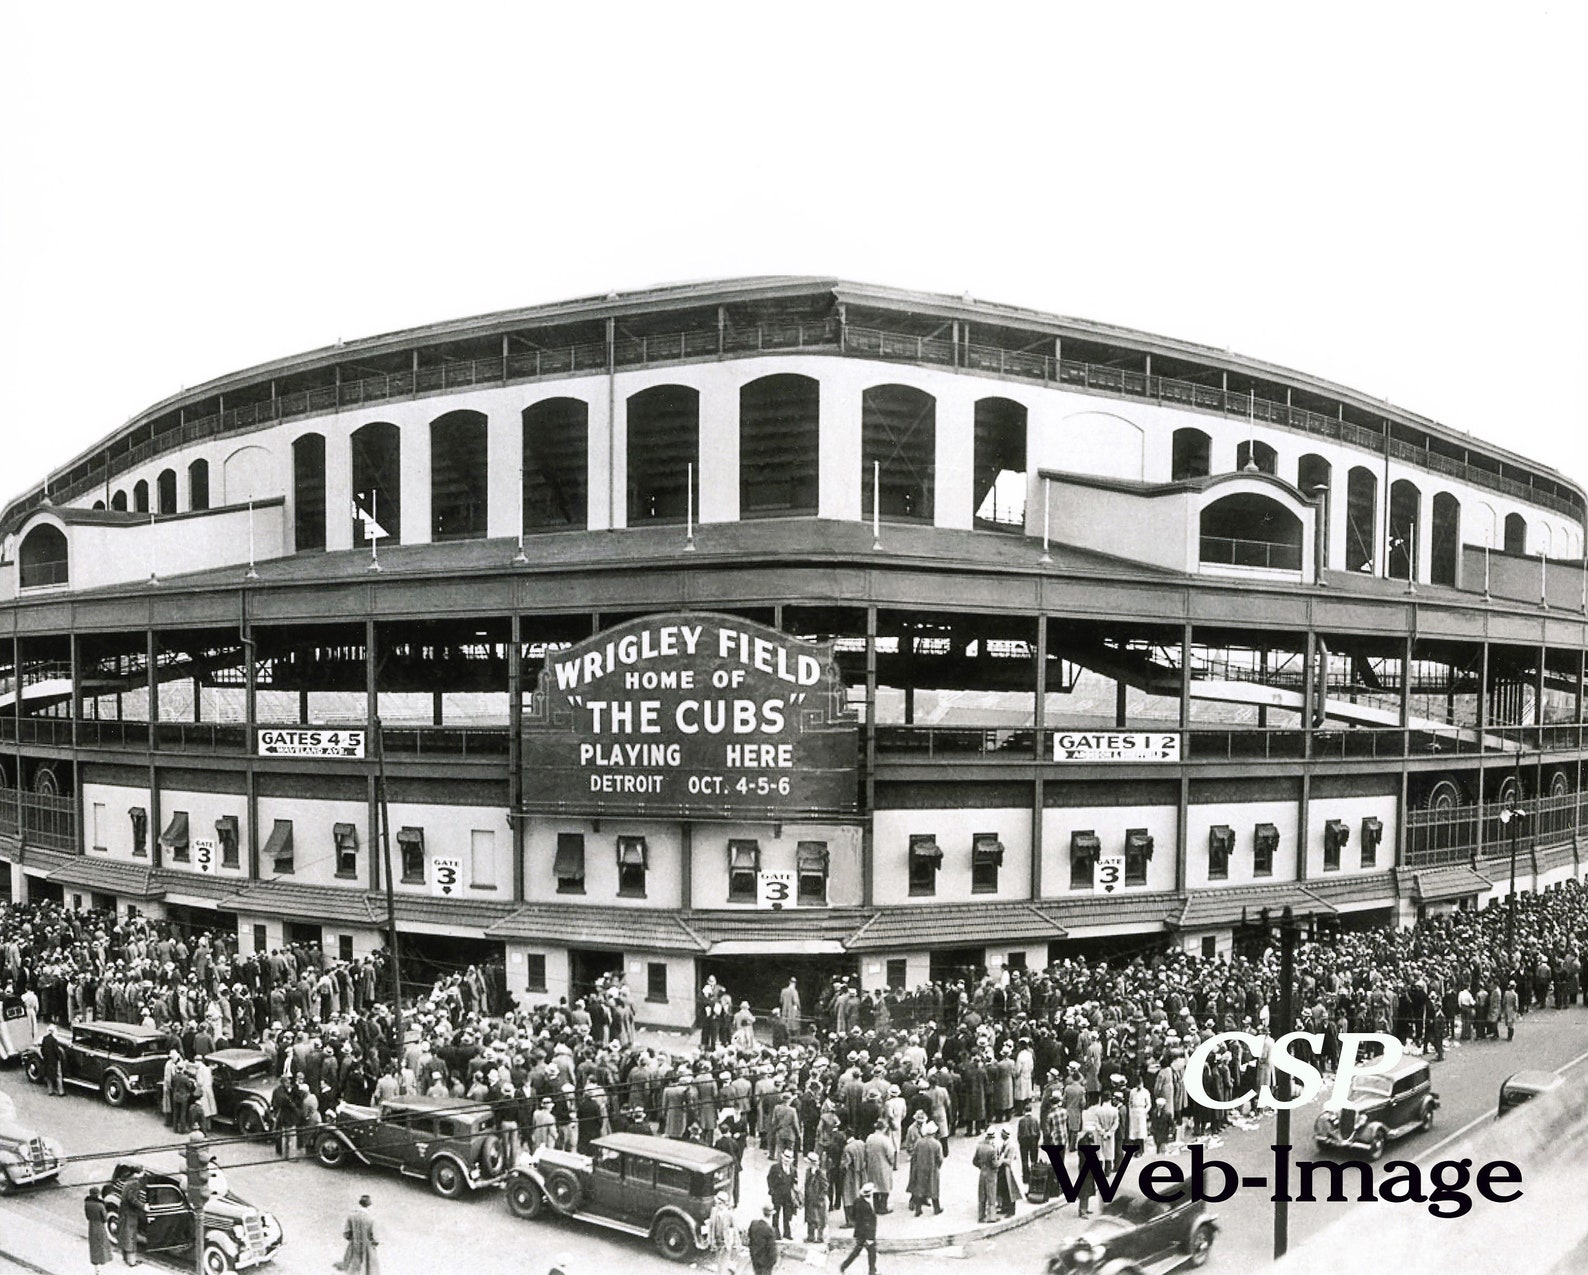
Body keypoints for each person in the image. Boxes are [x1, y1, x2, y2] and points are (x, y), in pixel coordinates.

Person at [839, 1182, 877, 1275]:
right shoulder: (866, 1206)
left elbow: (852, 1216)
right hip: (866, 1233)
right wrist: (869, 1237)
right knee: (870, 1251)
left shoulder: (858, 1201)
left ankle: (845, 1265)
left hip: (860, 1231)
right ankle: (871, 1271)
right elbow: (867, 1222)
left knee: (859, 1250)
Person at [335, 1195, 379, 1275]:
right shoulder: (371, 1218)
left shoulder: (351, 1216)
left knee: (352, 1269)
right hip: (367, 1248)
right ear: (369, 1204)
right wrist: (374, 1243)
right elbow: (374, 1238)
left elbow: (346, 1234)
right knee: (368, 1270)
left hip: (354, 1246)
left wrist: (354, 1239)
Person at [906, 1121, 943, 1216]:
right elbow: (940, 1159)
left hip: (920, 1168)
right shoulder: (937, 1144)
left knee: (920, 1188)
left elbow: (914, 1155)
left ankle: (918, 1209)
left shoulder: (919, 1142)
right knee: (934, 1188)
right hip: (932, 1169)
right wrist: (937, 1167)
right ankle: (936, 1208)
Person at [708, 1191, 741, 1275]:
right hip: (716, 1242)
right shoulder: (714, 1211)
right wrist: (710, 1240)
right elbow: (711, 1226)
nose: (717, 1205)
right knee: (719, 1263)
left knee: (724, 1263)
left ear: (723, 1203)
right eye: (717, 1203)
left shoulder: (730, 1215)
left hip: (726, 1243)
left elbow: (735, 1230)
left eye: (719, 1203)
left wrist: (738, 1243)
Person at [118, 1169, 145, 1266]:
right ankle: (132, 1262)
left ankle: (125, 1259)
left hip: (123, 1212)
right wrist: (143, 1206)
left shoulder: (128, 1180)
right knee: (130, 1236)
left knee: (124, 1235)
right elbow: (131, 1198)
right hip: (130, 1214)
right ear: (138, 1173)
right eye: (143, 1172)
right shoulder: (135, 1183)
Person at [802, 1151, 829, 1245]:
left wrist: (820, 1197)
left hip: (818, 1200)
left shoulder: (820, 1173)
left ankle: (820, 1237)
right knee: (810, 1218)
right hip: (810, 1199)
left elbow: (825, 1187)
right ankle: (811, 1236)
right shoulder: (808, 1171)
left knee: (820, 1219)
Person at [85, 1186, 113, 1274]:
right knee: (102, 1243)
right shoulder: (100, 1205)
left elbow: (87, 1216)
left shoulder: (87, 1203)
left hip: (91, 1225)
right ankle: (102, 1260)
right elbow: (104, 1218)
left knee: (93, 1244)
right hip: (99, 1225)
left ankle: (95, 1263)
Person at [972, 1130, 998, 1223]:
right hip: (991, 1174)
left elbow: (974, 1161)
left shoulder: (979, 1147)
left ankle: (981, 1216)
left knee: (982, 1194)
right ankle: (991, 1217)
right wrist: (1000, 1161)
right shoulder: (992, 1149)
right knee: (991, 1194)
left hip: (982, 1172)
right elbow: (994, 1164)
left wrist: (981, 1166)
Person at [746, 1203, 779, 1275]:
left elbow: (749, 1239)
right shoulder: (769, 1230)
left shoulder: (753, 1224)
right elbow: (772, 1248)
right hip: (766, 1262)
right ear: (771, 1215)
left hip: (755, 1258)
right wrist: (774, 1261)